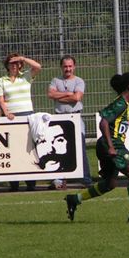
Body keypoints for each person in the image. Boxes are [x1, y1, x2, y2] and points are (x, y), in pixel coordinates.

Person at [64, 72, 129, 224]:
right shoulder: (121, 103)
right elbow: (103, 122)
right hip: (113, 144)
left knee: (110, 184)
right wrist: (111, 147)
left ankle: (75, 199)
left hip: (108, 144)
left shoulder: (124, 102)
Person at [0, 52, 42, 191]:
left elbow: (38, 67)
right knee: (13, 150)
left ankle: (31, 181)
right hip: (12, 118)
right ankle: (14, 182)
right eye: (11, 63)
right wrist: (7, 112)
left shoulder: (26, 76)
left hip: (27, 115)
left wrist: (23, 58)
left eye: (17, 63)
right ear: (7, 65)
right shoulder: (1, 80)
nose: (14, 66)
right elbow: (1, 99)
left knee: (29, 149)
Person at [47, 55, 92, 189]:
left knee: (80, 149)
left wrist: (60, 95)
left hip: (75, 118)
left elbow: (77, 98)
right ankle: (58, 180)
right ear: (61, 67)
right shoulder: (55, 80)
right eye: (65, 66)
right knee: (58, 149)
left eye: (70, 66)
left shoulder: (79, 81)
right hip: (59, 118)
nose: (68, 69)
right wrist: (68, 94)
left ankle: (86, 179)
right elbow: (50, 95)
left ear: (74, 67)